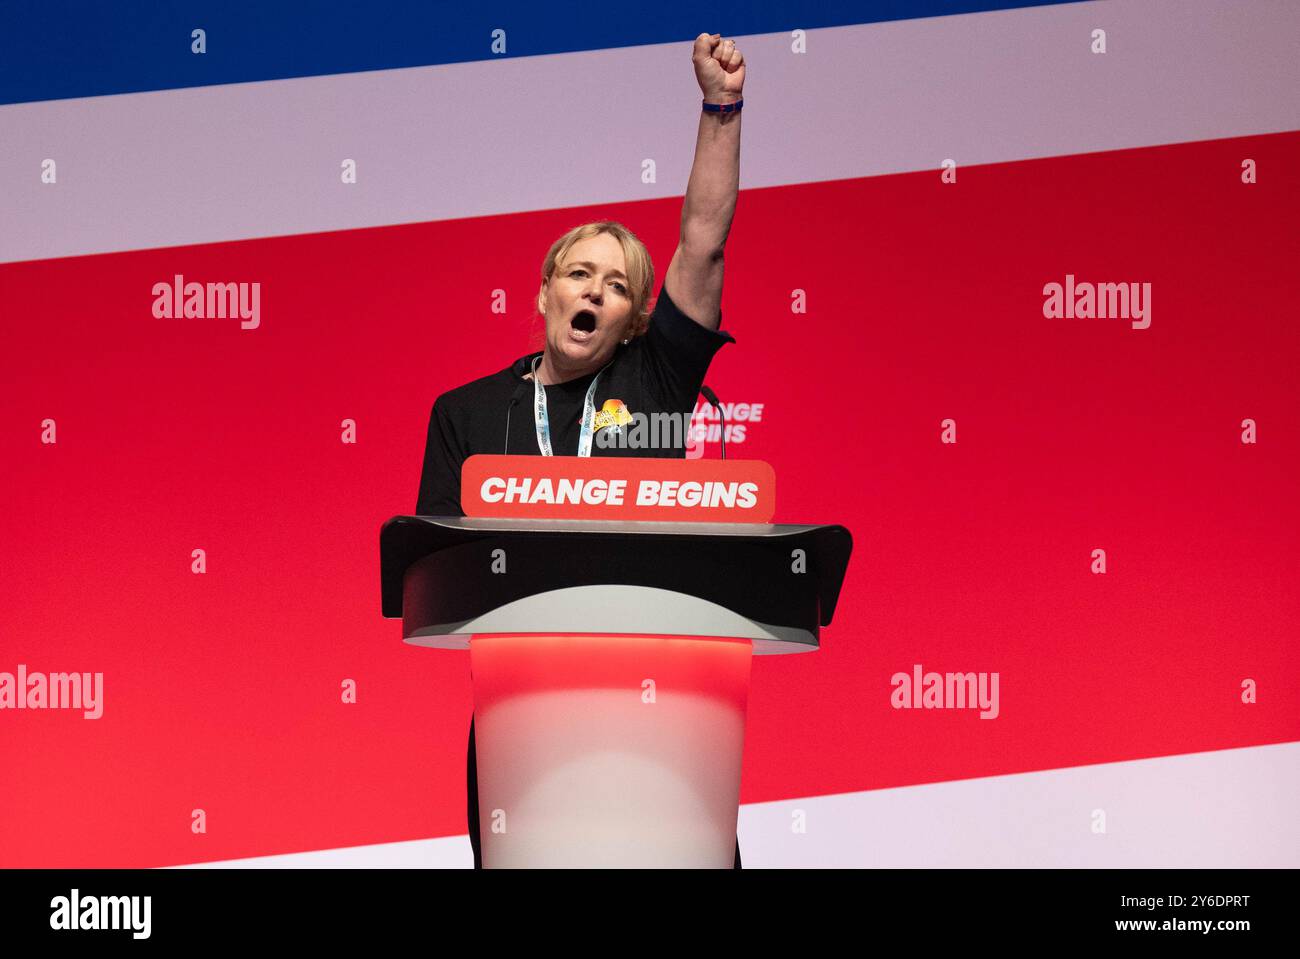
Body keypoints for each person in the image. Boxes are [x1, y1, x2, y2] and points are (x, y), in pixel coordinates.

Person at [416, 32, 746, 868]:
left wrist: (721, 107)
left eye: (619, 283)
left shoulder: (658, 375)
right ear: (544, 290)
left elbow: (703, 237)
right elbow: (436, 578)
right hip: (525, 721)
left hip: (663, 712)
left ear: (637, 316)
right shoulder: (466, 412)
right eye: (578, 273)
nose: (595, 290)